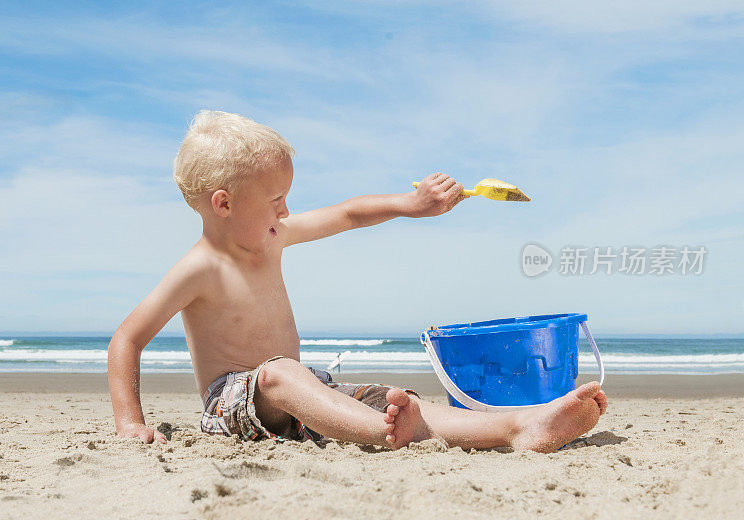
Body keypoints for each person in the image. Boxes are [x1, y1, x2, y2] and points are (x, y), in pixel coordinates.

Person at [108, 111, 608, 451]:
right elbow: (128, 338)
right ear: (224, 204)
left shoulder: (273, 235)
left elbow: (348, 214)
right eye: (276, 198)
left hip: (303, 398)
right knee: (281, 373)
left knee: (391, 397)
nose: (286, 209)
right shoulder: (199, 269)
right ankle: (384, 433)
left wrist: (412, 206)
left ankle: (517, 426)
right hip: (235, 404)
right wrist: (131, 423)